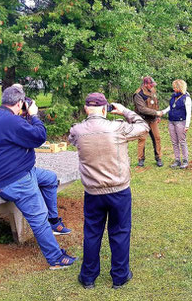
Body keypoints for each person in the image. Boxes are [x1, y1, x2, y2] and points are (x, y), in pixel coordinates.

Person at [0, 85, 76, 270]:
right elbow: (39, 136)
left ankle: (54, 222)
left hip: (15, 171)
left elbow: (18, 133)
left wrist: (24, 116)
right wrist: (34, 114)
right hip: (13, 180)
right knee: (38, 217)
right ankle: (55, 258)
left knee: (50, 178)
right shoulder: (11, 122)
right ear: (19, 103)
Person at [68, 92, 149, 289]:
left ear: (86, 109)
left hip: (93, 192)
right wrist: (125, 112)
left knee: (92, 233)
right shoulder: (118, 128)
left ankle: (88, 277)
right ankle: (120, 277)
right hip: (119, 190)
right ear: (105, 109)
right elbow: (144, 128)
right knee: (120, 232)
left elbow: (72, 140)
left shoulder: (77, 131)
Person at [160, 79, 192, 168]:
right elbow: (170, 107)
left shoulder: (186, 98)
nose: (173, 89)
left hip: (181, 122)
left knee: (182, 141)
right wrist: (162, 112)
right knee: (174, 142)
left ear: (180, 87)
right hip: (171, 121)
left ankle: (185, 160)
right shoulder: (174, 97)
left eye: (175, 87)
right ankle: (177, 160)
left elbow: (189, 113)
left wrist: (187, 125)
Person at [133, 76, 163, 167]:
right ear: (145, 84)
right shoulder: (138, 94)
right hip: (143, 120)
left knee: (157, 138)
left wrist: (157, 115)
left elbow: (156, 103)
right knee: (142, 139)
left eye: (153, 85)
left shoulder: (153, 90)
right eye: (150, 85)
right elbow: (141, 109)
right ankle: (141, 159)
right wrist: (156, 112)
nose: (152, 86)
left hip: (153, 119)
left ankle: (158, 158)